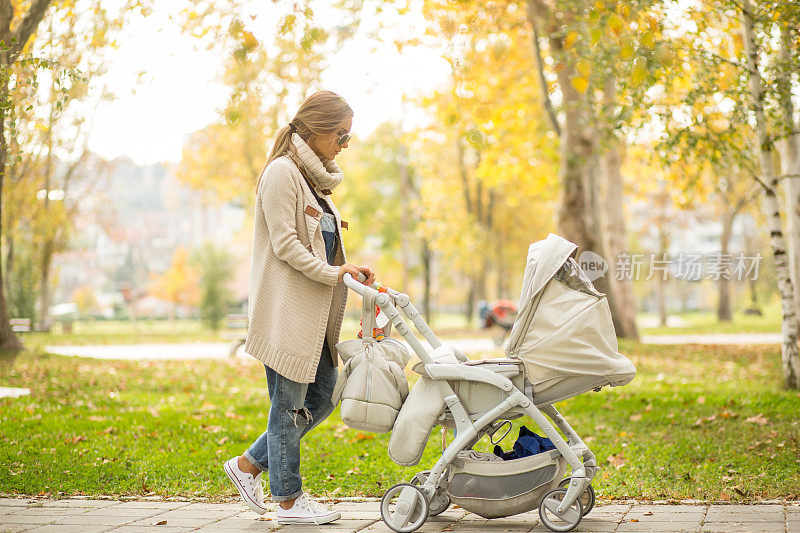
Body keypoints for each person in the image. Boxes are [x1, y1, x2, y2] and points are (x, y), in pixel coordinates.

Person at [222, 90, 375, 525]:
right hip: (287, 315)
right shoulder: (281, 174)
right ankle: (288, 501)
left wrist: (349, 270)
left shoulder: (316, 183)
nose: (345, 145)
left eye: (349, 137)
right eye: (341, 136)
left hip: (317, 320)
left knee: (323, 399)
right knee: (289, 407)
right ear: (317, 128)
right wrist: (337, 273)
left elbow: (323, 250)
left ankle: (248, 465)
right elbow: (287, 246)